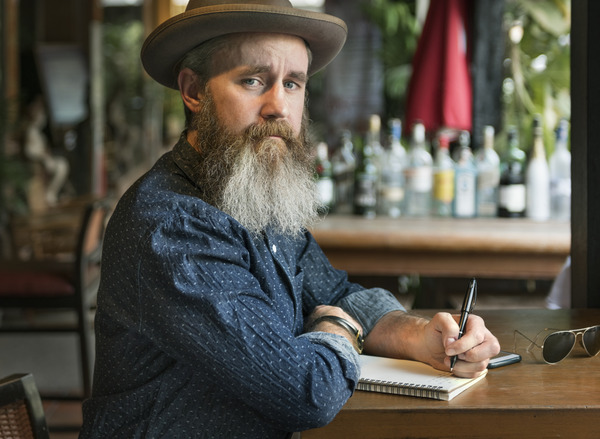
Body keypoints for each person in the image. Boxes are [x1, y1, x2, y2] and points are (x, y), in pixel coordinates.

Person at [80, 1, 500, 437]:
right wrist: (337, 328)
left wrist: (422, 338)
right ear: (194, 91)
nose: (278, 106)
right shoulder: (170, 226)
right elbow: (305, 391)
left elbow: (336, 292)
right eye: (253, 80)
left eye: (293, 83)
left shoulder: (252, 190)